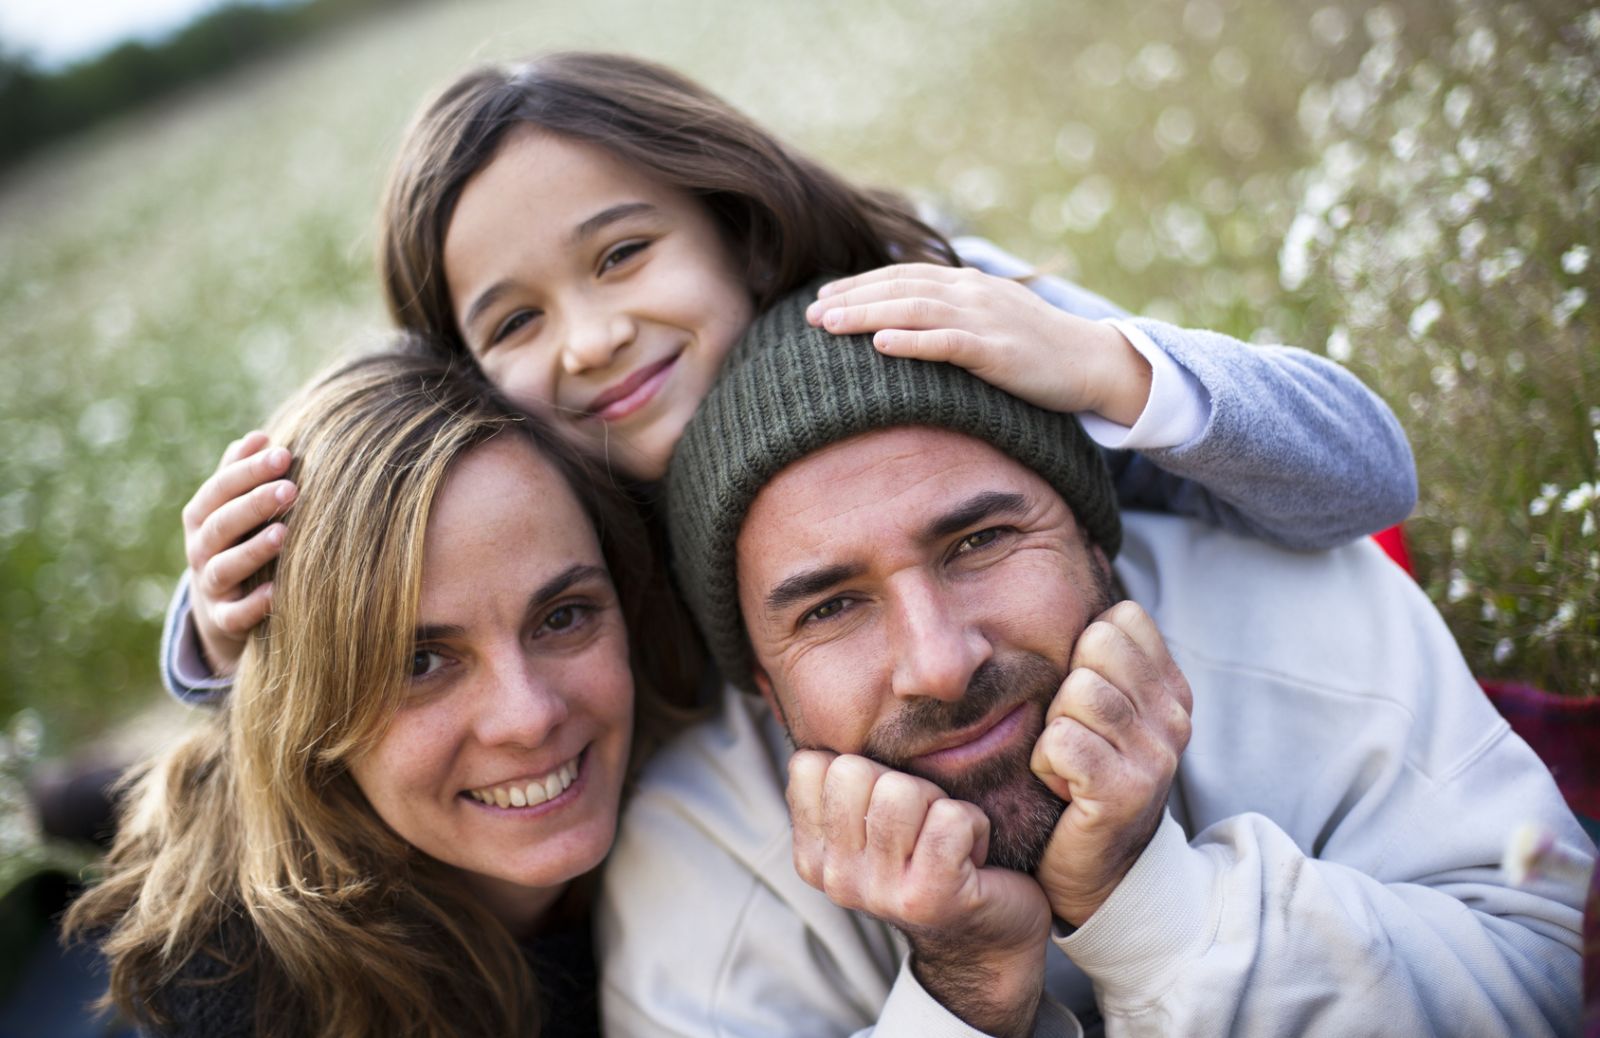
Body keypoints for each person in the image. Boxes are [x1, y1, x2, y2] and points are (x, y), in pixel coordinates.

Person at [161, 51, 1416, 701]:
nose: (590, 338)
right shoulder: (530, 475)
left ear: (734, 226)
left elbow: (1365, 479)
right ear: (469, 369)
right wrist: (223, 642)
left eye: (623, 253)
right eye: (516, 320)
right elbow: (395, 717)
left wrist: (1094, 359)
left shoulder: (937, 313)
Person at [595, 285, 1596, 1037]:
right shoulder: (698, 864)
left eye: (979, 543)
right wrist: (965, 991)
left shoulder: (1300, 607)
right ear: (764, 689)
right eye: (830, 607)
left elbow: (1547, 982)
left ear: (1093, 538)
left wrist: (1147, 900)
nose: (939, 665)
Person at [64, 347, 699, 1037]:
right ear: (305, 706)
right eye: (420, 661)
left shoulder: (712, 738)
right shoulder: (247, 994)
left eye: (563, 617)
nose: (530, 716)